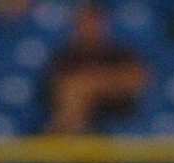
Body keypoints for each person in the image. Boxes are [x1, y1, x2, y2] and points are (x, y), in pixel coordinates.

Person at [45, 3, 149, 134]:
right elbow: (59, 90)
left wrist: (93, 85)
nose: (90, 28)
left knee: (80, 88)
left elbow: (137, 81)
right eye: (85, 23)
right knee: (74, 93)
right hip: (79, 121)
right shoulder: (66, 57)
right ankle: (70, 135)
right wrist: (106, 81)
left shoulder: (119, 53)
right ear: (76, 26)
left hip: (118, 119)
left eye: (95, 22)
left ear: (105, 25)